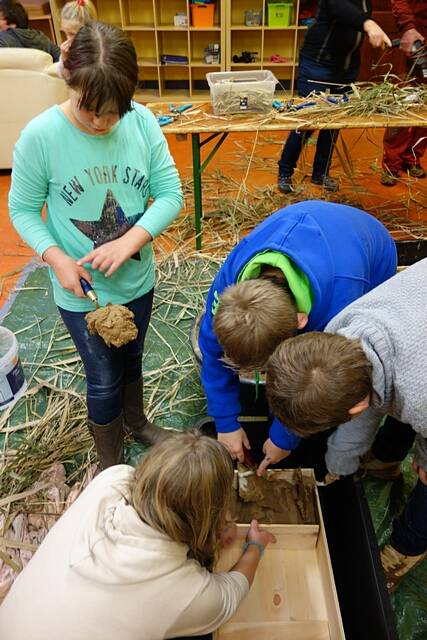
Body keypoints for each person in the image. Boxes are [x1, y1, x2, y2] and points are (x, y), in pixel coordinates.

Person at [8, 21, 183, 469]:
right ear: (70, 80)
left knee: (134, 357)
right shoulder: (40, 137)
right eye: (90, 110)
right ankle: (110, 462)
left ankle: (138, 423)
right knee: (104, 377)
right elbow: (23, 211)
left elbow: (169, 193)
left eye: (114, 112)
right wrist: (57, 258)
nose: (102, 123)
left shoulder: (142, 122)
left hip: (136, 279)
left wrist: (132, 239)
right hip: (81, 290)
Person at [0, 430, 276, 639]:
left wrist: (210, 530)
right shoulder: (186, 592)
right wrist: (254, 548)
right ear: (208, 517)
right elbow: (228, 597)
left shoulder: (112, 480)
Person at [198, 200, 397, 474]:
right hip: (317, 239)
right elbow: (212, 351)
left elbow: (313, 381)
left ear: (301, 323)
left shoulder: (340, 308)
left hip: (369, 251)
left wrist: (284, 438)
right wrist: (226, 422)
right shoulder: (230, 285)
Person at [266, 259, 427, 590]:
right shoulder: (342, 331)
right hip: (413, 329)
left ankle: (408, 546)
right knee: (398, 400)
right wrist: (340, 461)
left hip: (418, 376)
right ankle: (386, 459)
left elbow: (388, 400)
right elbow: (371, 399)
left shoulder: (418, 393)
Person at [277, 0, 391, 194]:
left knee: (334, 124)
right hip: (318, 66)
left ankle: (320, 173)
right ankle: (285, 171)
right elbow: (341, 7)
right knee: (305, 121)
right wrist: (369, 23)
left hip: (346, 69)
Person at [381, 0, 427, 186]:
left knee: (425, 107)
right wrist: (408, 27)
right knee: (405, 103)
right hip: (417, 35)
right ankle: (392, 164)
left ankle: (413, 158)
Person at [59, 0, 97, 65]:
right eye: (65, 33)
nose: (68, 39)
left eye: (72, 34)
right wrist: (64, 59)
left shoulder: (99, 49)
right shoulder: (69, 51)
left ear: (88, 29)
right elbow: (63, 75)